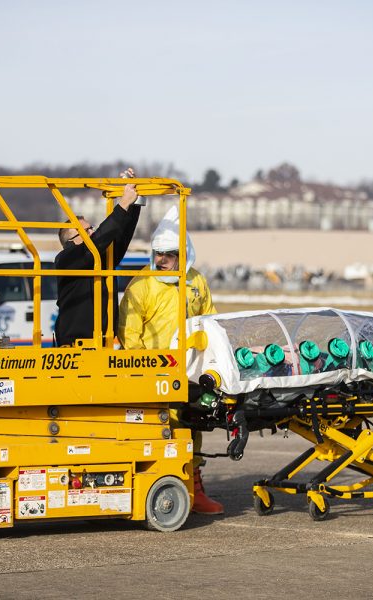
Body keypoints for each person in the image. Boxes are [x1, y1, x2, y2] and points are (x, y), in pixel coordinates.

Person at [117, 206, 221, 515]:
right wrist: (146, 373)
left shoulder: (196, 282)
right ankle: (163, 489)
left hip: (189, 372)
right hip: (156, 375)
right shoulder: (142, 285)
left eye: (168, 254)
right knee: (162, 433)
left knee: (194, 428)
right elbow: (129, 334)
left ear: (184, 253)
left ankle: (194, 487)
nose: (161, 260)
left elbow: (210, 321)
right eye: (158, 253)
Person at [53, 168, 142, 347]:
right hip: (74, 346)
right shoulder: (66, 259)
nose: (92, 232)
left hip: (102, 342)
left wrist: (134, 201)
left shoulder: (97, 258)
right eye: (86, 231)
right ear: (72, 240)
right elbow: (98, 240)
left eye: (91, 228)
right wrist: (123, 203)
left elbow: (120, 239)